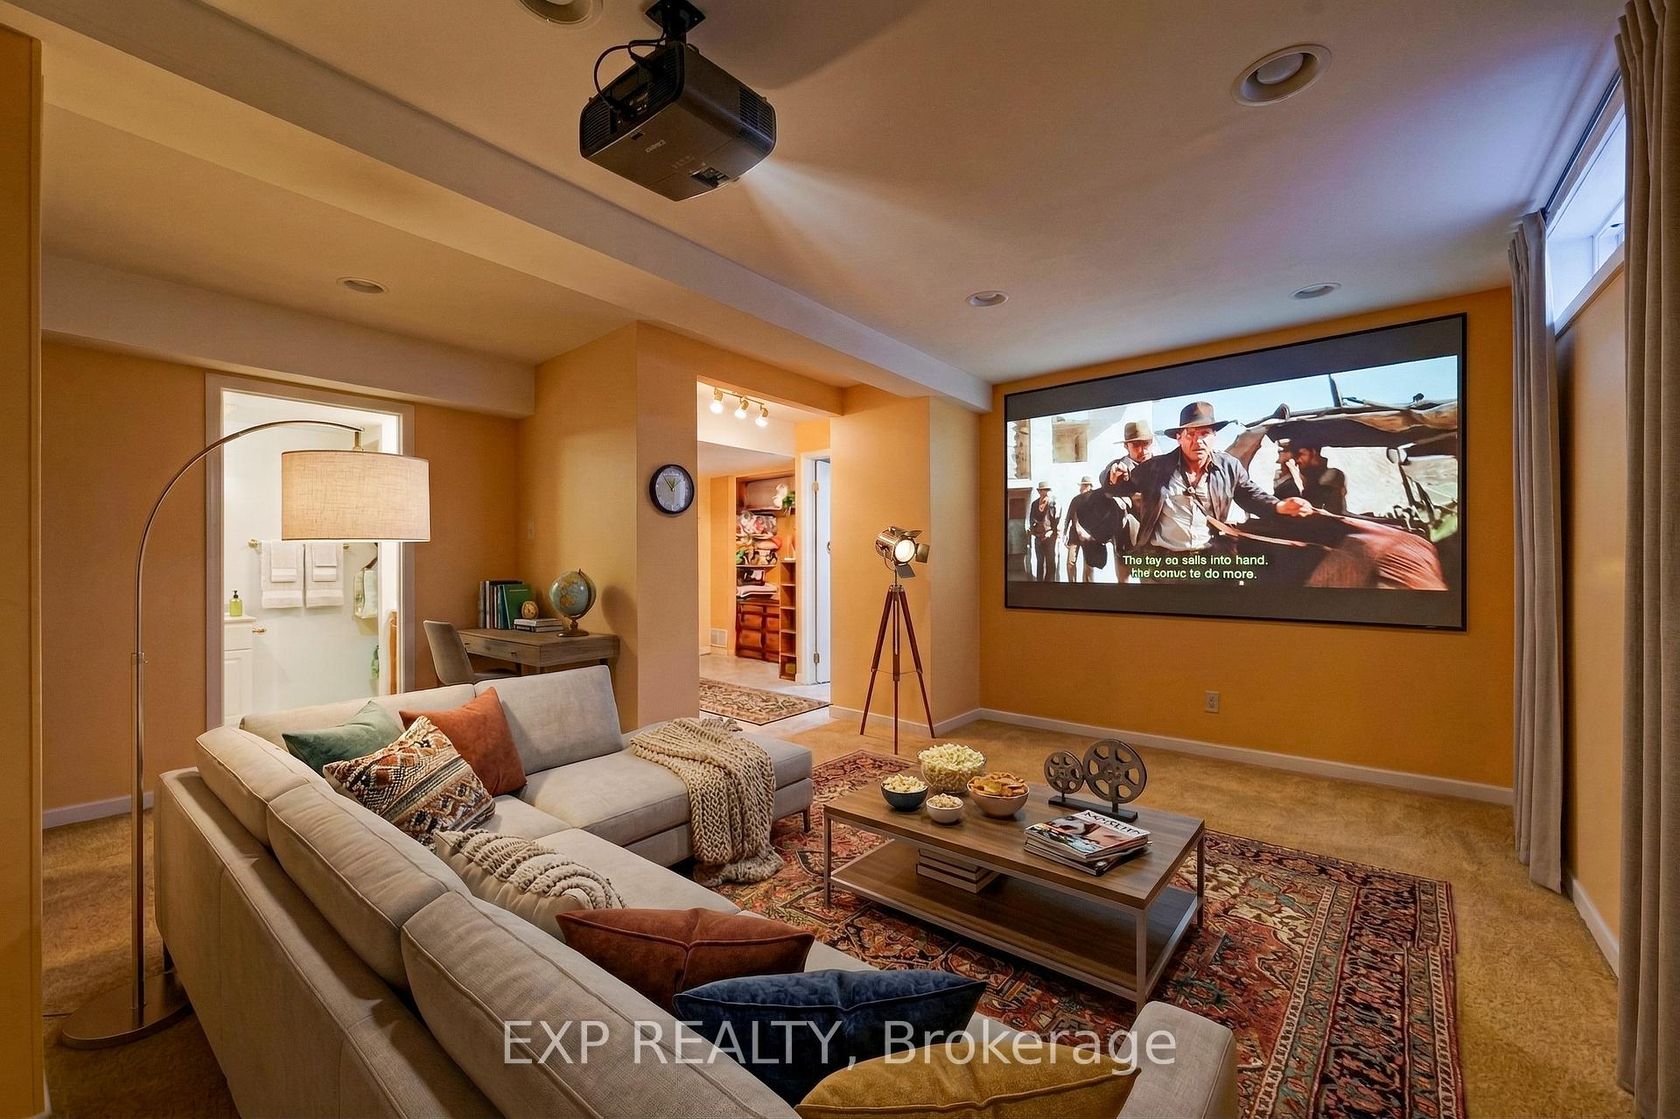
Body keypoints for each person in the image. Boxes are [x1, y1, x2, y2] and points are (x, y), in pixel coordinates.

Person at [1122, 401, 1313, 560]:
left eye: (1204, 433)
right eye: (1191, 434)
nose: (1198, 441)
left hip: (1210, 561)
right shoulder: (1155, 467)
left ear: (1214, 436)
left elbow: (1249, 494)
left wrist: (1279, 506)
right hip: (1164, 565)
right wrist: (1113, 477)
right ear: (1179, 438)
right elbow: (1120, 486)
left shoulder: (1229, 467)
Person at [1290, 444, 1348, 514]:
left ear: (1313, 452)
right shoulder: (1301, 475)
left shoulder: (1332, 474)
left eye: (1301, 454)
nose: (1297, 460)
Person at [1061, 476, 1096, 581]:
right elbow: (1068, 517)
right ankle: (1073, 585)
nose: (1081, 488)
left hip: (1090, 537)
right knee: (1070, 563)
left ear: (1088, 486)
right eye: (1081, 486)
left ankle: (1088, 586)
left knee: (1089, 565)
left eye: (1083, 486)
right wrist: (1064, 534)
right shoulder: (1076, 499)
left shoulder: (1096, 500)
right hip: (1074, 536)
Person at [1025, 480, 1060, 581]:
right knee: (1039, 562)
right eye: (1043, 490)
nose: (1046, 492)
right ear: (1039, 491)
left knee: (1050, 562)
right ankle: (1039, 583)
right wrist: (1031, 529)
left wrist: (1052, 531)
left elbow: (1057, 520)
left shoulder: (1053, 503)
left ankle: (1050, 583)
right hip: (1038, 537)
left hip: (1050, 537)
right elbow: (1032, 519)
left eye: (1047, 490)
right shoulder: (1035, 504)